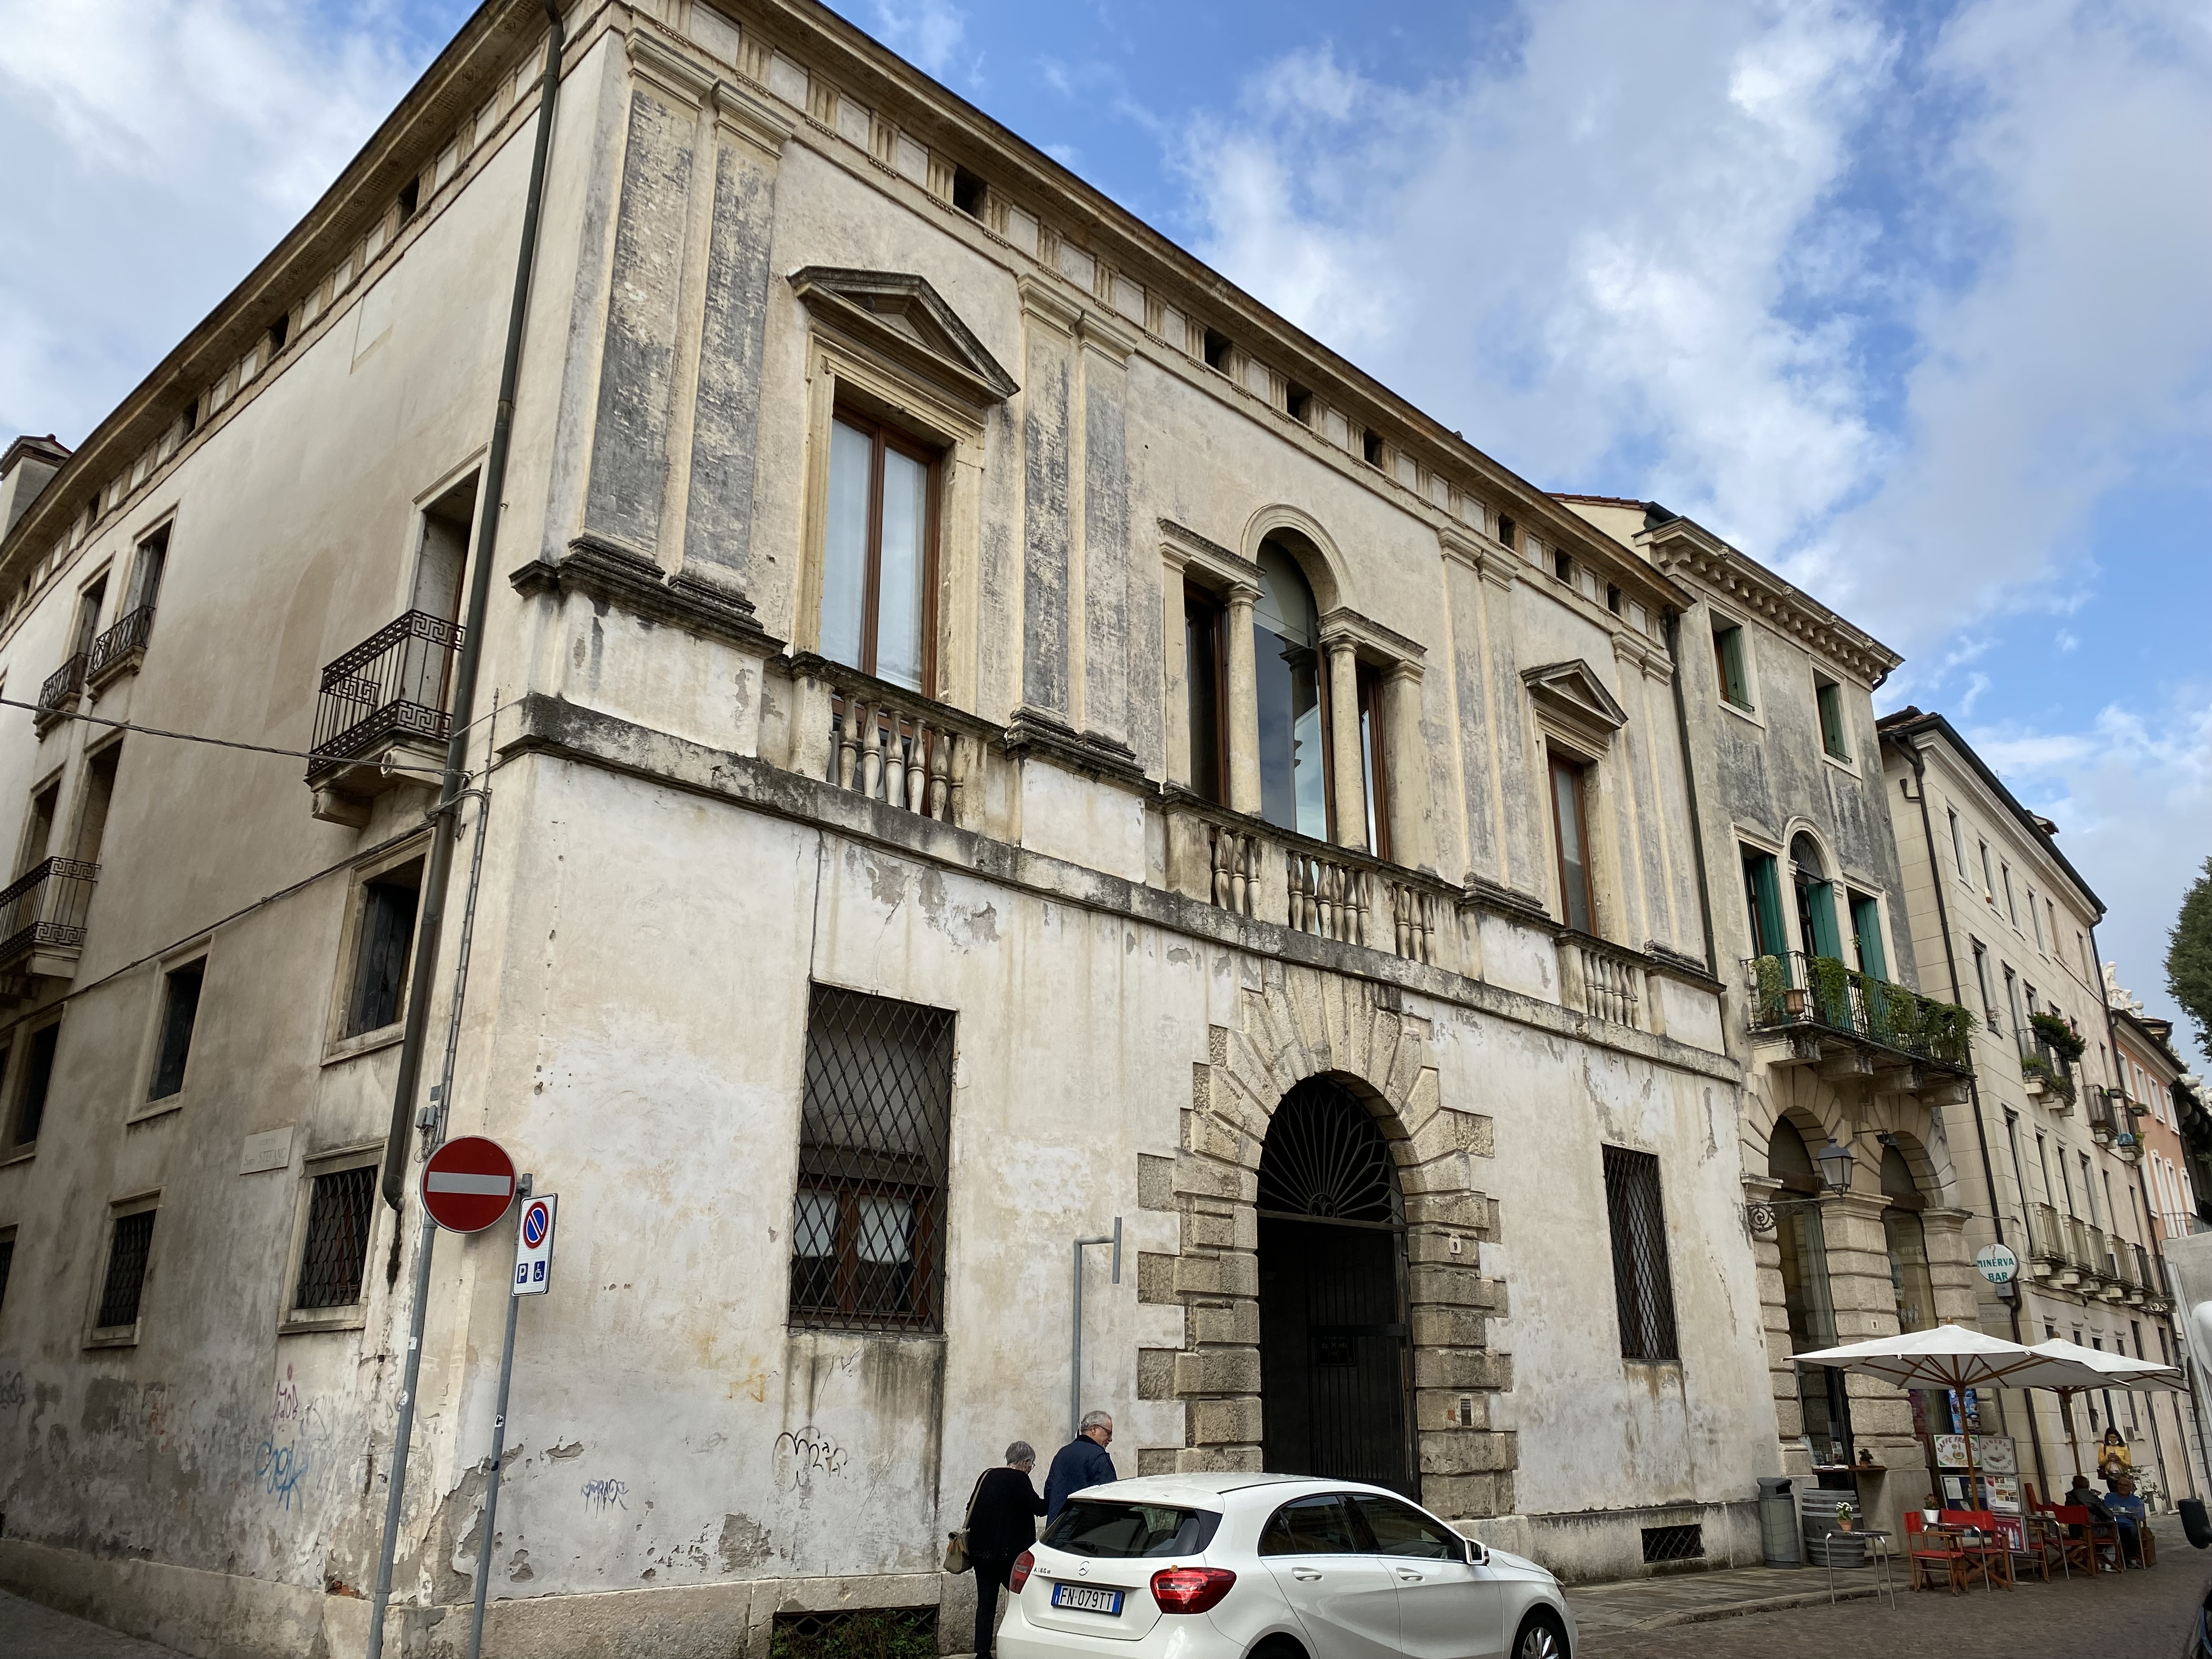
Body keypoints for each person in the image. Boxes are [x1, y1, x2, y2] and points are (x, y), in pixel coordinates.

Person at [966, 1442, 1047, 1659]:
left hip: (981, 1554)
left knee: (986, 1604)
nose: (1030, 1469)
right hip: (1007, 1556)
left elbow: (970, 1507)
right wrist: (1055, 1496)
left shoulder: (987, 1476)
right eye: (1031, 1465)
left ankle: (982, 1653)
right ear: (1025, 1462)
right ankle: (1022, 1647)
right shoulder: (1020, 1479)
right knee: (1023, 1600)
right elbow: (1038, 1508)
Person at [1045, 1410, 1116, 1522]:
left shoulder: (1062, 1454)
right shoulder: (1098, 1456)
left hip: (1057, 1528)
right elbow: (1110, 1497)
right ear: (1094, 1429)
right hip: (1085, 1528)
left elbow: (1049, 1492)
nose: (1110, 1439)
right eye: (1108, 1433)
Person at [2068, 1473, 2123, 1571]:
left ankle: (2098, 1561)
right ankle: (2109, 1562)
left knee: (2103, 1533)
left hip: (2075, 1532)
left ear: (2073, 1484)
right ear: (2087, 1484)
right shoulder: (2090, 1496)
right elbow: (2108, 1514)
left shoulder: (2069, 1497)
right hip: (2092, 1530)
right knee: (2115, 1531)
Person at [2104, 1474, 2149, 1566]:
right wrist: (2129, 1512)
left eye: (2125, 1485)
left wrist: (2120, 1512)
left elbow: (2140, 1516)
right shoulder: (2110, 1497)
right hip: (2114, 1524)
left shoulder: (2136, 1500)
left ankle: (2130, 1558)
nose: (2122, 1487)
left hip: (2129, 1524)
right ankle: (2122, 1559)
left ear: (2131, 1488)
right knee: (2114, 1532)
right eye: (2120, 1484)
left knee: (2131, 1531)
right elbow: (2107, 1511)